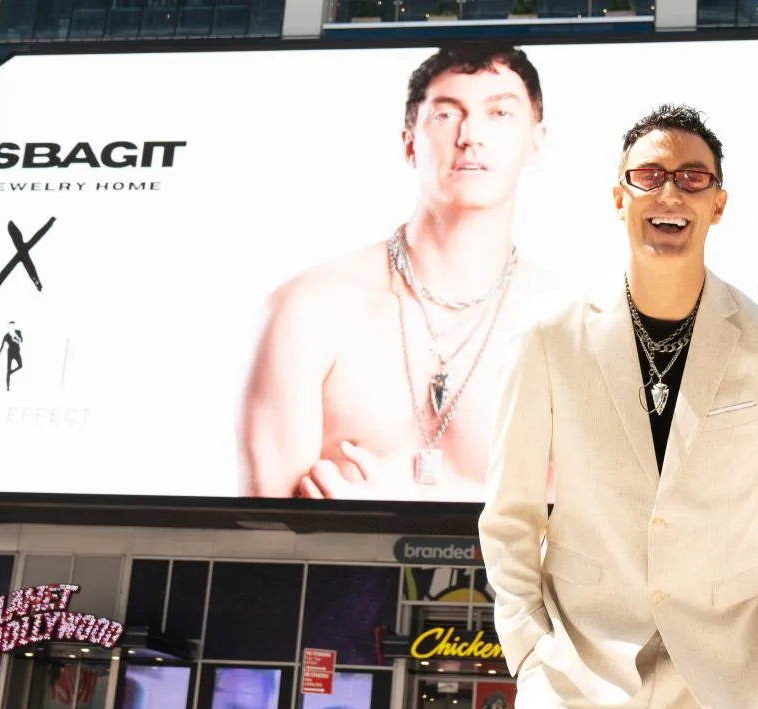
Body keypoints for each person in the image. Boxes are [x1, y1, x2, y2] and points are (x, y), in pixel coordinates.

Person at [477, 104, 758, 709]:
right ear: (618, 197)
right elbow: (511, 511)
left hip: (722, 689)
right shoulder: (548, 337)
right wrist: (527, 644)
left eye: (692, 178)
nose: (669, 192)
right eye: (649, 175)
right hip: (574, 680)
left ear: (718, 204)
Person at [241, 43, 562, 503]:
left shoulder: (573, 330)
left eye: (499, 114)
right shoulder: (307, 311)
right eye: (446, 114)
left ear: (536, 140)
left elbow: (588, 531)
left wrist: (384, 510)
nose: (471, 135)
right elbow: (262, 532)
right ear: (410, 142)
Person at [0, 322, 23, 391]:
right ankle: (7, 387)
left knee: (20, 365)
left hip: (17, 352)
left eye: (13, 326)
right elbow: (2, 346)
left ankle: (11, 372)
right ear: (8, 327)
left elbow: (21, 341)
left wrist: (15, 337)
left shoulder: (18, 332)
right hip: (10, 353)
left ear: (14, 326)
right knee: (8, 369)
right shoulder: (6, 336)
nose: (12, 327)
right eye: (10, 326)